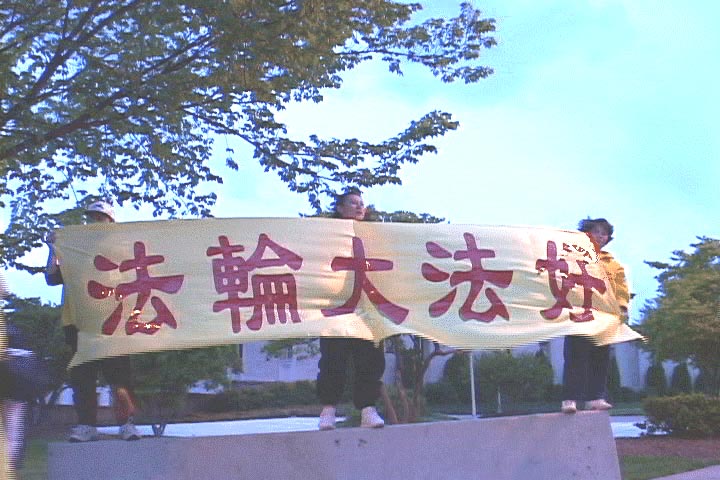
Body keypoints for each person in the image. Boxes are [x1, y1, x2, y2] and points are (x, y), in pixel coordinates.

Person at [45, 201, 141, 441]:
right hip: (79, 325)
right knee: (83, 378)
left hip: (113, 325)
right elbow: (52, 278)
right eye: (91, 218)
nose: (94, 222)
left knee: (120, 379)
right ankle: (86, 425)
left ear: (111, 222)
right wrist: (53, 248)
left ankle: (127, 424)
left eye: (100, 218)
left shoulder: (122, 251)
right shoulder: (74, 250)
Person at [317, 190, 386, 430]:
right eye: (353, 203)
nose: (359, 207)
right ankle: (328, 410)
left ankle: (368, 410)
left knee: (370, 360)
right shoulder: (326, 235)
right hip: (335, 307)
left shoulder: (372, 236)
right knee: (333, 359)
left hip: (366, 308)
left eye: (362, 204)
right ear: (340, 208)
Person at [561, 217, 630, 414]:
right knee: (576, 357)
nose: (600, 236)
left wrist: (622, 307)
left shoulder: (613, 264)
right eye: (596, 231)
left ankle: (596, 398)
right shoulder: (572, 257)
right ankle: (570, 399)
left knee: (600, 358)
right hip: (579, 314)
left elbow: (621, 288)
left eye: (604, 233)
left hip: (603, 317)